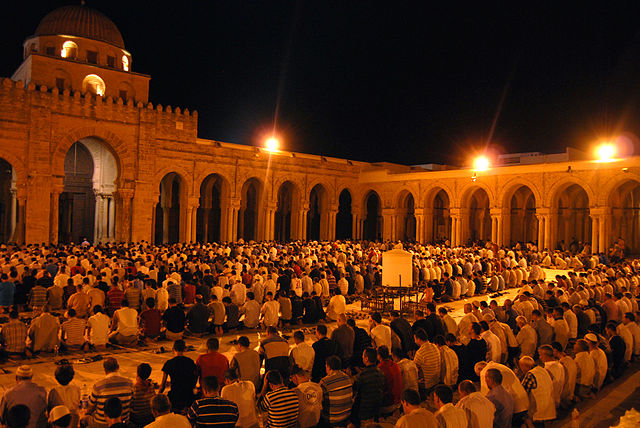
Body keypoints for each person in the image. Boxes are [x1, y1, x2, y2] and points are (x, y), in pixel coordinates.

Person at [86, 358, 134, 428]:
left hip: (101, 423)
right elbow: (132, 402)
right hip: (123, 420)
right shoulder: (129, 383)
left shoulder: (98, 385)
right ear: (118, 367)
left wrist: (87, 413)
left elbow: (90, 407)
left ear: (105, 370)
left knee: (85, 419)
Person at [159, 340, 197, 413]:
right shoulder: (190, 362)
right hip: (189, 396)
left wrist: (158, 396)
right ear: (185, 349)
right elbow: (195, 377)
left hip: (175, 396)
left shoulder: (169, 363)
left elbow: (163, 384)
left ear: (173, 349)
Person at [352, 348, 386, 425]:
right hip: (377, 409)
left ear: (366, 359)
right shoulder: (381, 372)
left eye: (363, 356)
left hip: (365, 411)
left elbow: (355, 388)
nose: (362, 358)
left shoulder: (362, 376)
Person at [519, 356, 556, 425]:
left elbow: (523, 392)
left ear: (524, 366)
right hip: (550, 409)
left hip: (539, 411)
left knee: (522, 412)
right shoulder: (543, 370)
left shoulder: (530, 374)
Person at [319, 355, 353, 427]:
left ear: (328, 367)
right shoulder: (347, 377)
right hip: (347, 415)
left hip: (332, 419)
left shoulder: (325, 381)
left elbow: (319, 400)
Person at [413, 328, 441, 398]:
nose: (415, 341)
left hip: (427, 384)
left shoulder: (420, 352)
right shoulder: (434, 346)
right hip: (437, 379)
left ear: (419, 339)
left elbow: (415, 369)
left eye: (415, 339)